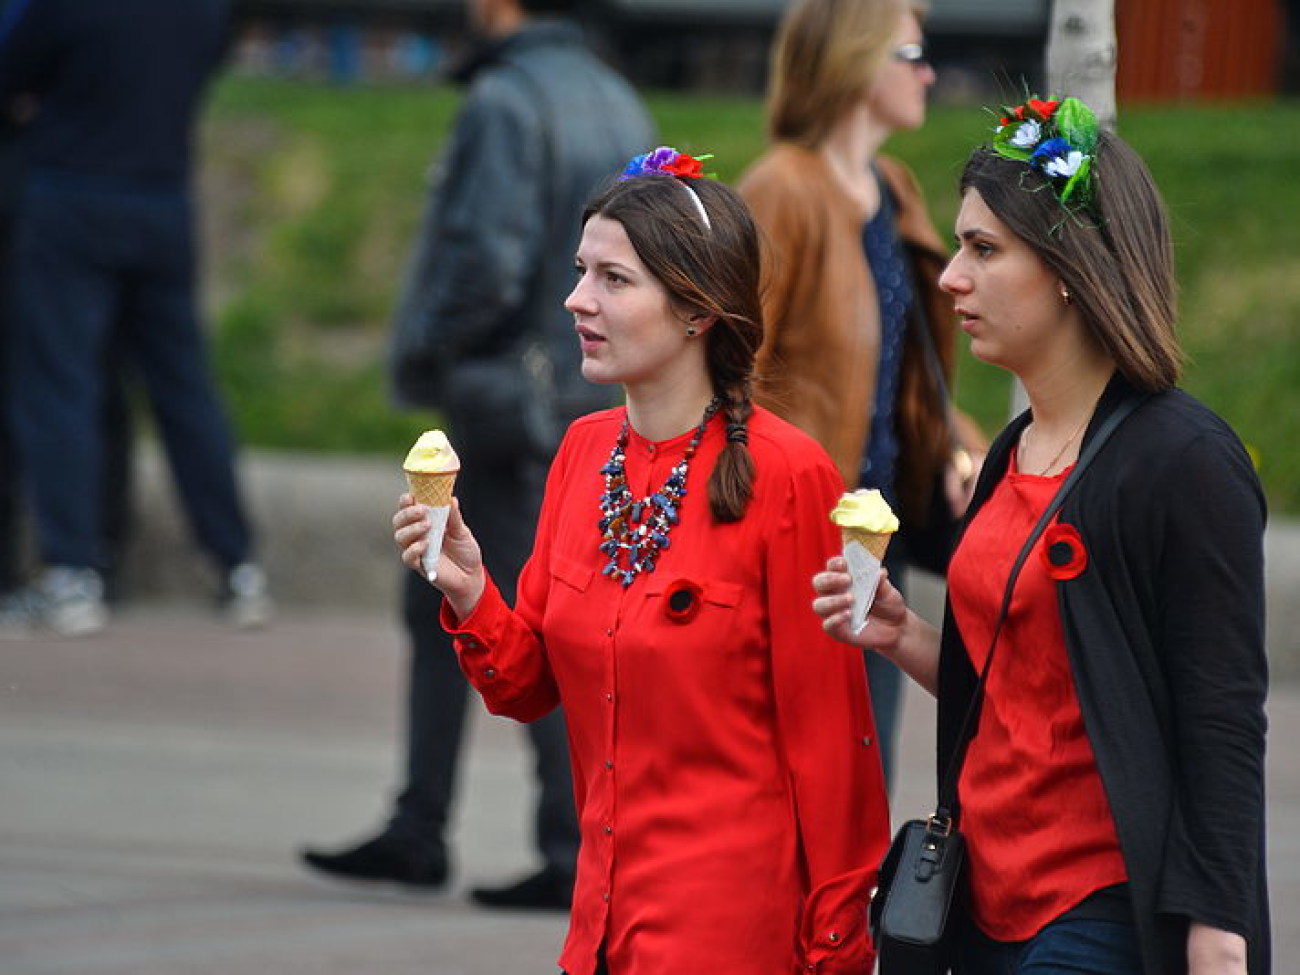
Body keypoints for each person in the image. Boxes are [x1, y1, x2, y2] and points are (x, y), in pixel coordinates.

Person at [393, 151, 890, 975]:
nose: (577, 299)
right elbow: (528, 685)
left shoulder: (790, 473)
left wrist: (838, 947)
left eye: (613, 279)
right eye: (581, 270)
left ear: (696, 310)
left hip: (731, 934)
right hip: (599, 931)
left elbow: (832, 741)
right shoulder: (583, 453)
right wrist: (470, 587)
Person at [813, 95, 1270, 974]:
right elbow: (1019, 686)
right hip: (982, 904)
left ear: (1070, 267)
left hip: (1100, 909)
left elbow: (1221, 721)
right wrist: (905, 634)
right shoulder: (1012, 452)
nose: (949, 277)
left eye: (984, 250)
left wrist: (1217, 930)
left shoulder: (1184, 461)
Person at [299, 0, 654, 911]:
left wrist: (434, 353)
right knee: (534, 607)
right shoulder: (617, 96)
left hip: (501, 398)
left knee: (479, 609)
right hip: (582, 399)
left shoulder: (504, 100)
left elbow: (482, 262)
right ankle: (501, 829)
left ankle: (521, 837)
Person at [737, 0, 986, 788]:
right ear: (857, 60)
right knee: (797, 779)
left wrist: (961, 445)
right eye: (912, 55)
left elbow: (911, 368)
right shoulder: (782, 188)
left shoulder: (894, 186)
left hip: (879, 532)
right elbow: (731, 364)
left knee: (859, 775)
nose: (929, 74)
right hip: (805, 537)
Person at [0, 0, 270, 636]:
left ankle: (71, 571)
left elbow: (12, 75)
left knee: (61, 386)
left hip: (70, 194)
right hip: (163, 198)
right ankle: (237, 564)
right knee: (185, 389)